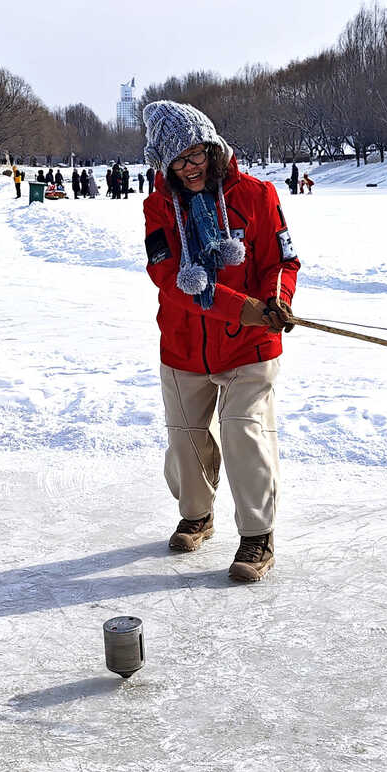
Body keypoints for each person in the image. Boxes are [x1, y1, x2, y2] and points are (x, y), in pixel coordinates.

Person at [139, 100, 299, 583]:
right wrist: (241, 307)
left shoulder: (257, 194)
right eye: (177, 161)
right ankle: (197, 514)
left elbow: (281, 262)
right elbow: (169, 279)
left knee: (241, 431)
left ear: (213, 148)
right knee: (184, 442)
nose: (189, 168)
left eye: (196, 155)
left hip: (250, 347)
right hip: (184, 346)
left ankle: (257, 534)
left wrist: (274, 301)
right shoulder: (158, 207)